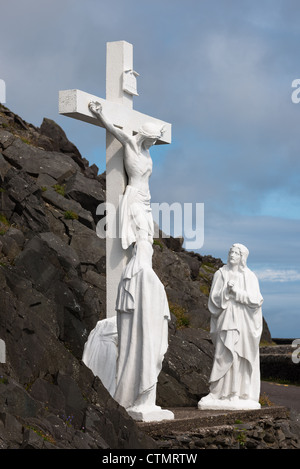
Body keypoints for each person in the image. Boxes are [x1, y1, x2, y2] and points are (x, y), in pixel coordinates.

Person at [89, 101, 165, 250]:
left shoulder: (146, 152)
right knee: (141, 232)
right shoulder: (131, 143)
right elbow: (112, 129)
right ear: (144, 136)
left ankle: (139, 266)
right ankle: (139, 267)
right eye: (152, 140)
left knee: (148, 237)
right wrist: (99, 113)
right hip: (135, 196)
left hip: (146, 198)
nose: (154, 143)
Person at [198, 243, 264, 410]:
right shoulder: (220, 274)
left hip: (242, 322)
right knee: (223, 352)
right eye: (231, 252)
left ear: (242, 257)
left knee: (237, 355)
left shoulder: (249, 276)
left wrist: (237, 293)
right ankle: (217, 392)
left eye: (236, 252)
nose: (232, 255)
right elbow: (213, 300)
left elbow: (256, 300)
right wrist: (226, 292)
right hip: (227, 319)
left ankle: (236, 392)